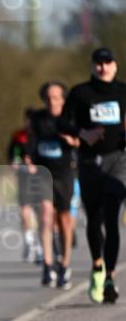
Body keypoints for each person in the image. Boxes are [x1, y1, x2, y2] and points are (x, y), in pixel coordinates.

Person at [64, 47, 126, 303]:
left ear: (115, 65)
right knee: (94, 218)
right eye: (98, 63)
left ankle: (109, 277)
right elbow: (62, 122)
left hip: (118, 159)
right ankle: (97, 264)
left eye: (107, 62)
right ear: (92, 66)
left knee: (112, 218)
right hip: (89, 161)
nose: (103, 67)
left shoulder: (123, 91)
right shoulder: (81, 93)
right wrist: (82, 133)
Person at [25, 81, 79, 289]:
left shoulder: (70, 118)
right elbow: (31, 144)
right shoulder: (38, 119)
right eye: (48, 98)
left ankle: (64, 264)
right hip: (43, 173)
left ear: (63, 99)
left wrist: (73, 141)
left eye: (56, 97)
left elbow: (84, 141)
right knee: (46, 214)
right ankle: (47, 264)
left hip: (65, 174)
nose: (52, 101)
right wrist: (29, 160)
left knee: (64, 220)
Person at [8, 109, 42, 263]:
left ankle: (40, 245)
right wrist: (17, 162)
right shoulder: (18, 136)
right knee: (24, 211)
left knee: (41, 212)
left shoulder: (42, 135)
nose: (29, 123)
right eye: (27, 120)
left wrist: (36, 164)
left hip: (40, 179)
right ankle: (29, 242)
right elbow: (13, 156)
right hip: (24, 178)